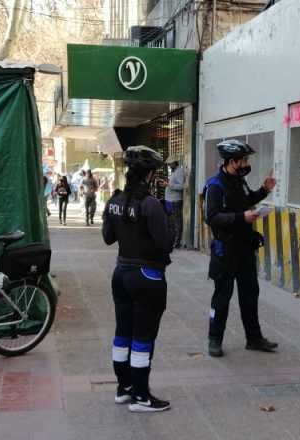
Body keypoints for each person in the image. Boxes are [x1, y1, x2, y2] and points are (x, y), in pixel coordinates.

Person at [102, 145, 174, 413]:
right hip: (147, 276)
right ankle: (142, 397)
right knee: (143, 338)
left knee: (123, 333)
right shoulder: (151, 204)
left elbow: (108, 238)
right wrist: (169, 216)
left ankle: (124, 389)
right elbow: (165, 244)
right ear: (151, 174)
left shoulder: (115, 200)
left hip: (120, 274)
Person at [204, 139, 278, 357]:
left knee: (250, 294)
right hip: (225, 251)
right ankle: (214, 339)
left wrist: (264, 190)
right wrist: (241, 217)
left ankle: (254, 338)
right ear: (232, 161)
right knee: (222, 297)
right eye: (243, 159)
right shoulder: (215, 185)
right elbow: (212, 217)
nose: (246, 163)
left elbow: (247, 201)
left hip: (245, 248)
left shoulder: (239, 181)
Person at [165, 158, 187, 248]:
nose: (169, 166)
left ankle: (177, 242)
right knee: (172, 222)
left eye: (170, 164)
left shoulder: (179, 172)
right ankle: (173, 240)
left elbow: (182, 186)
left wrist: (169, 185)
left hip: (175, 200)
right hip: (170, 200)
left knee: (177, 222)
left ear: (174, 163)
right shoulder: (174, 172)